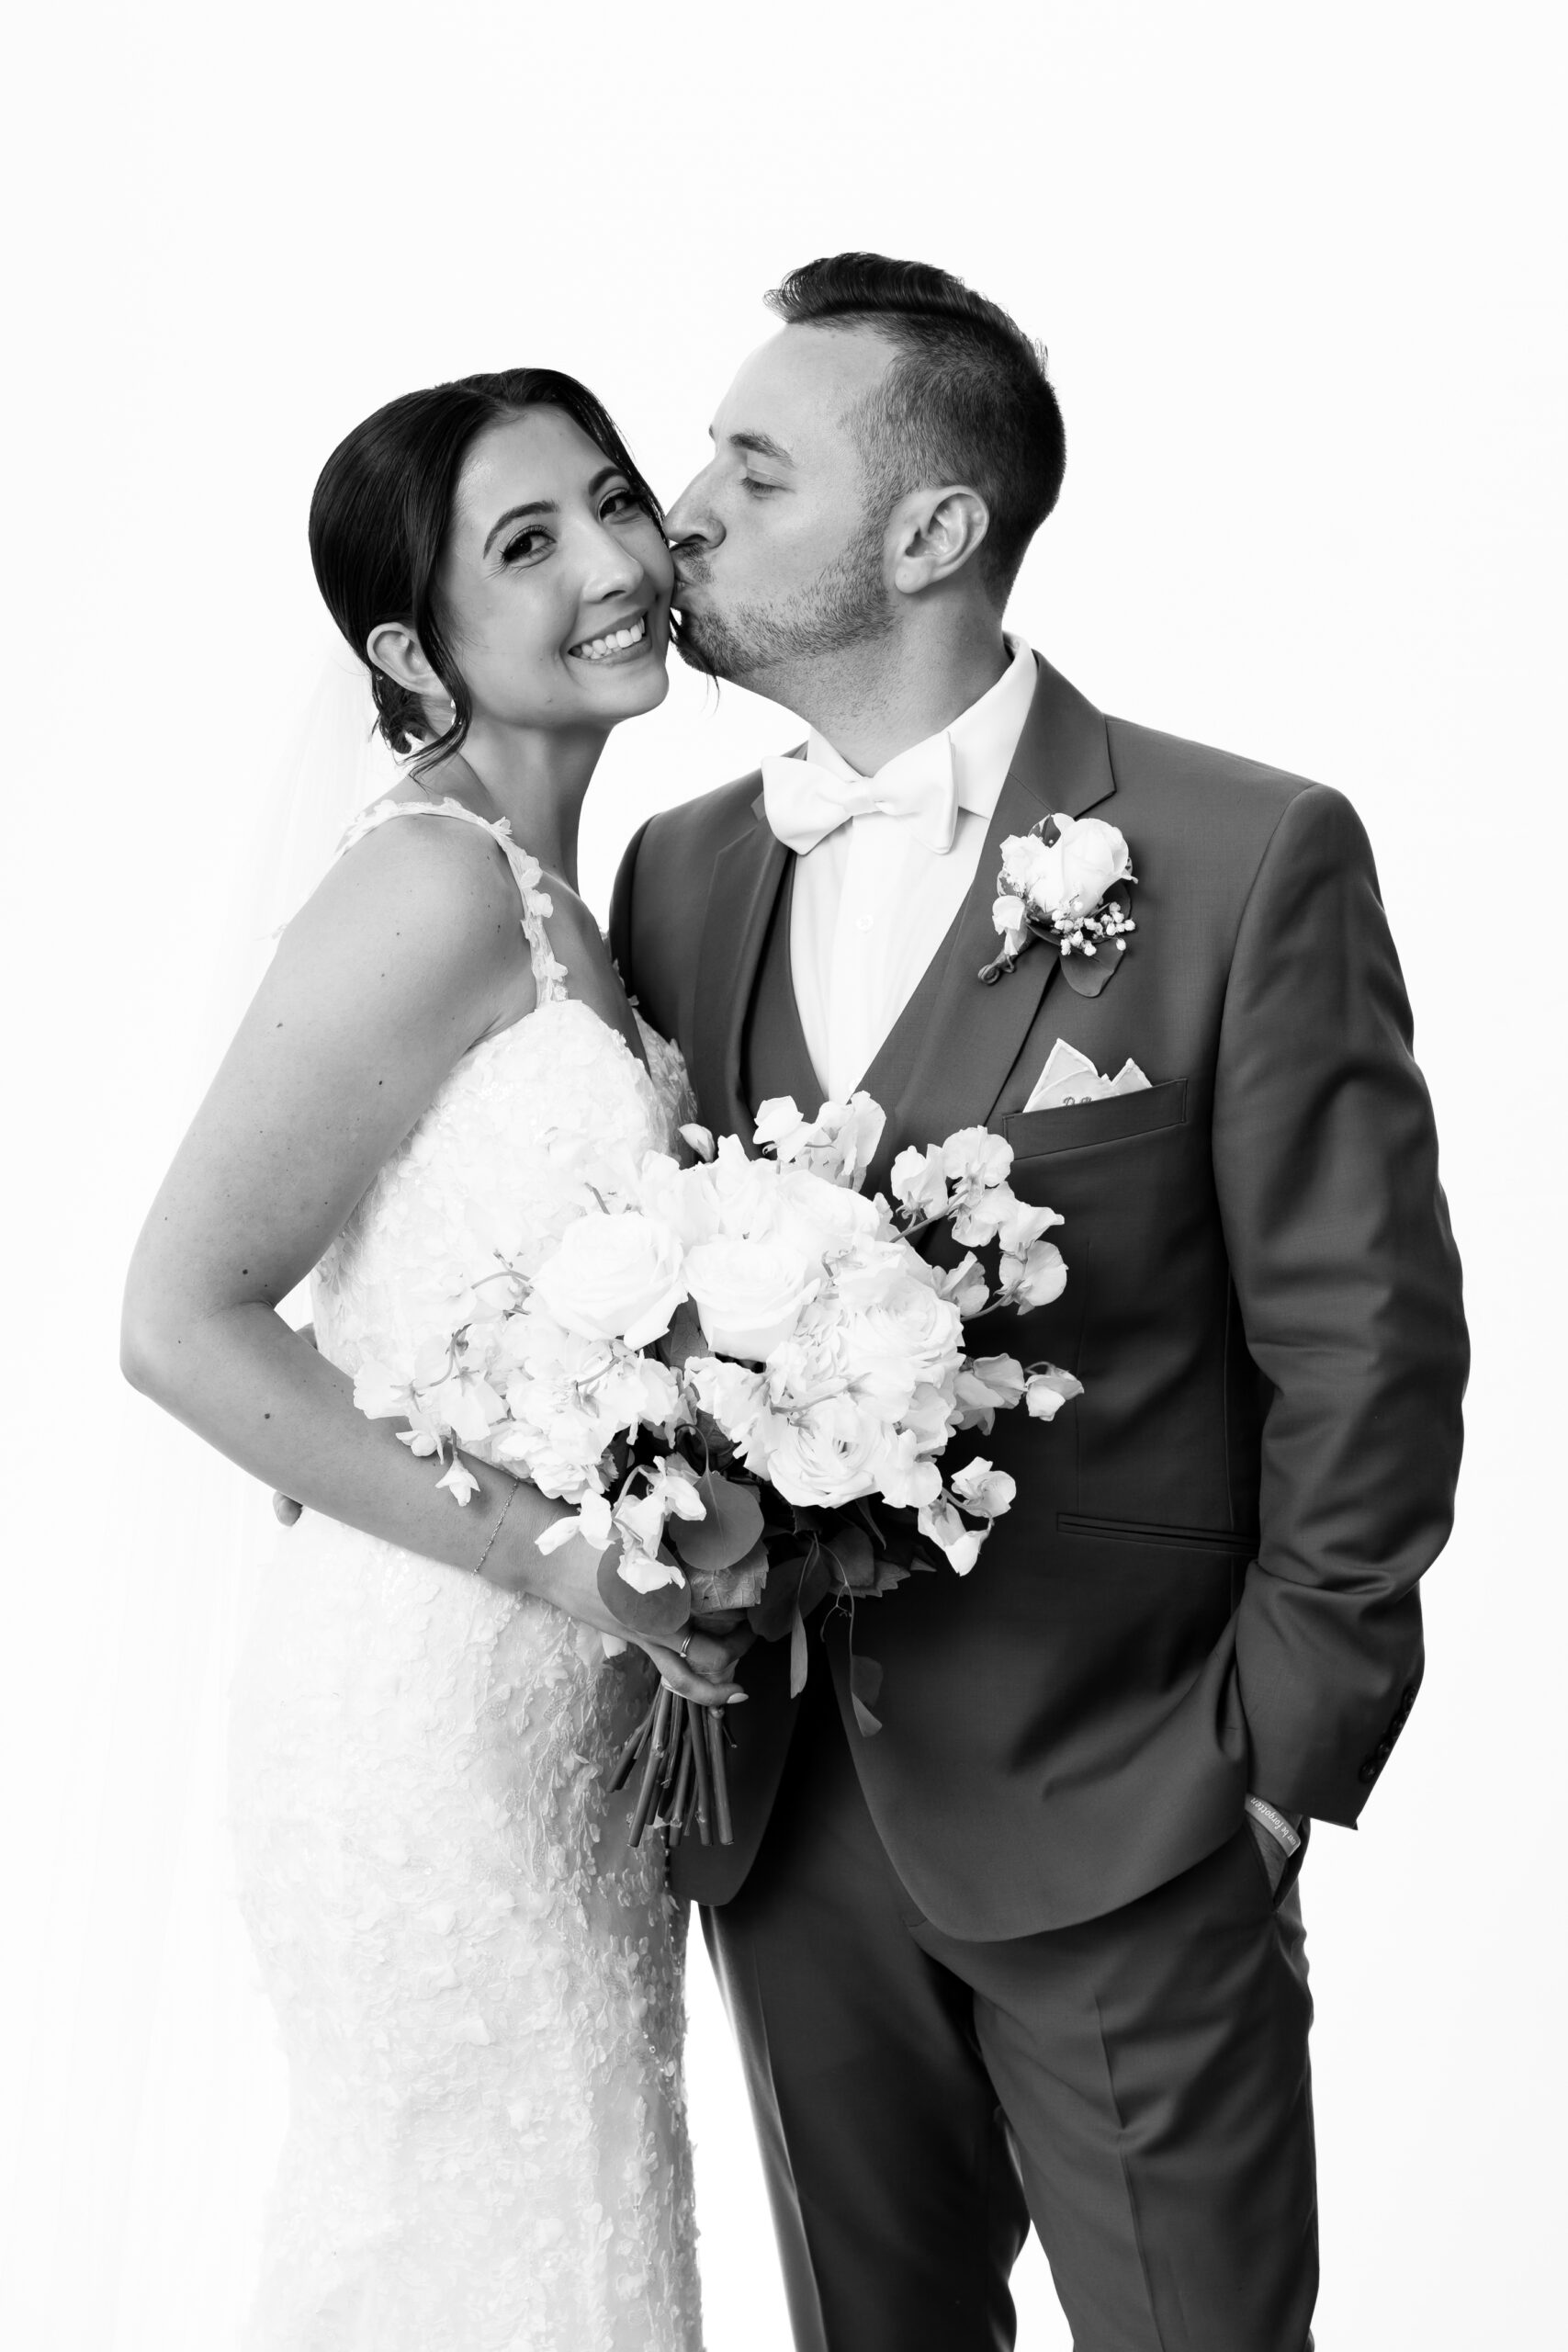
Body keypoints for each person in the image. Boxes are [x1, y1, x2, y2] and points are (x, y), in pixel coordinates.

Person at [610, 252, 1469, 2352]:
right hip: (791, 1822)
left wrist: (1268, 1770)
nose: (682, 505)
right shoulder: (679, 871)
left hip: (1133, 1810)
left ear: (928, 531)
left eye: (751, 462)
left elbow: (1364, 1351)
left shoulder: (1237, 851)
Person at [120, 368, 745, 2351]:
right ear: (408, 647)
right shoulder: (429, 884)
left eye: (614, 504)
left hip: (559, 1726)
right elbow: (178, 1317)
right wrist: (548, 1556)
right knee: (463, 2244)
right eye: (526, 543)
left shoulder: (587, 906)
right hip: (417, 1712)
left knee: (574, 2243)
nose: (614, 564)